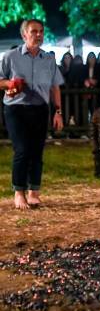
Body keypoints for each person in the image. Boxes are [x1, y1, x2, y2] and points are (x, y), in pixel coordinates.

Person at [0, 19, 64, 209]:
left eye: (41, 31)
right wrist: (9, 84)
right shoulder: (10, 56)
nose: (38, 35)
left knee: (37, 151)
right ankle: (19, 192)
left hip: (40, 109)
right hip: (16, 109)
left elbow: (55, 87)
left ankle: (34, 192)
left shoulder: (49, 59)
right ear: (24, 35)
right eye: (34, 31)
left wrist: (58, 111)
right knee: (22, 150)